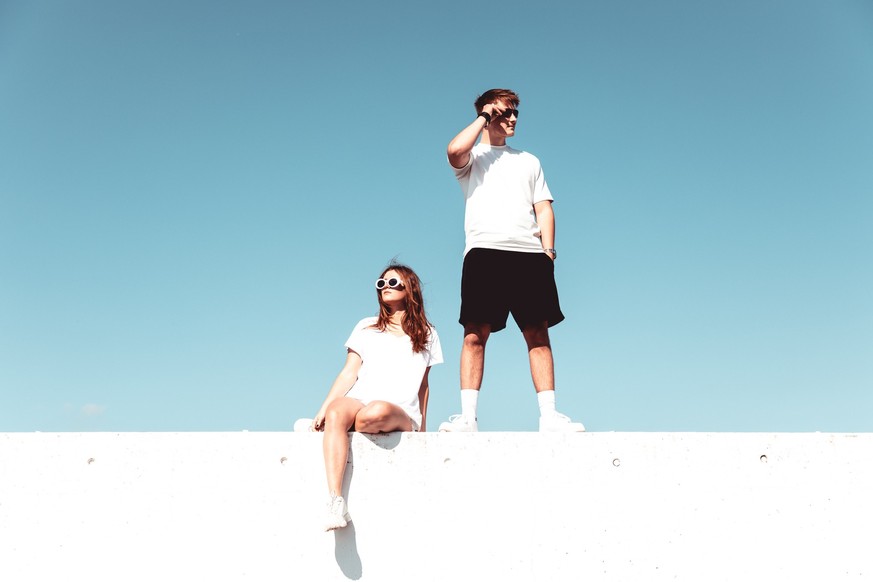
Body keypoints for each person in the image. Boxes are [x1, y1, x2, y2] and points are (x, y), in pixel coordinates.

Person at [439, 88, 584, 433]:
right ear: (488, 115)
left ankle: (549, 417)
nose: (513, 119)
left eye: (515, 112)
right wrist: (484, 116)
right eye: (505, 113)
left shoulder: (529, 160)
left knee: (538, 333)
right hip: (484, 252)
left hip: (529, 256)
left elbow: (544, 208)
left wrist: (548, 252)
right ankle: (468, 419)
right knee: (475, 334)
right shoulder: (473, 158)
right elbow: (453, 150)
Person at [309, 263, 443, 531]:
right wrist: (324, 409)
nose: (385, 288)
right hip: (361, 399)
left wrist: (424, 429)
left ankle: (340, 426)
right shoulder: (366, 326)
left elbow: (424, 385)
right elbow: (349, 373)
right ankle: (336, 502)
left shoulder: (427, 332)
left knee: (377, 411)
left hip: (399, 411)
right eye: (381, 284)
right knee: (337, 410)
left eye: (393, 283)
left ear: (410, 288)